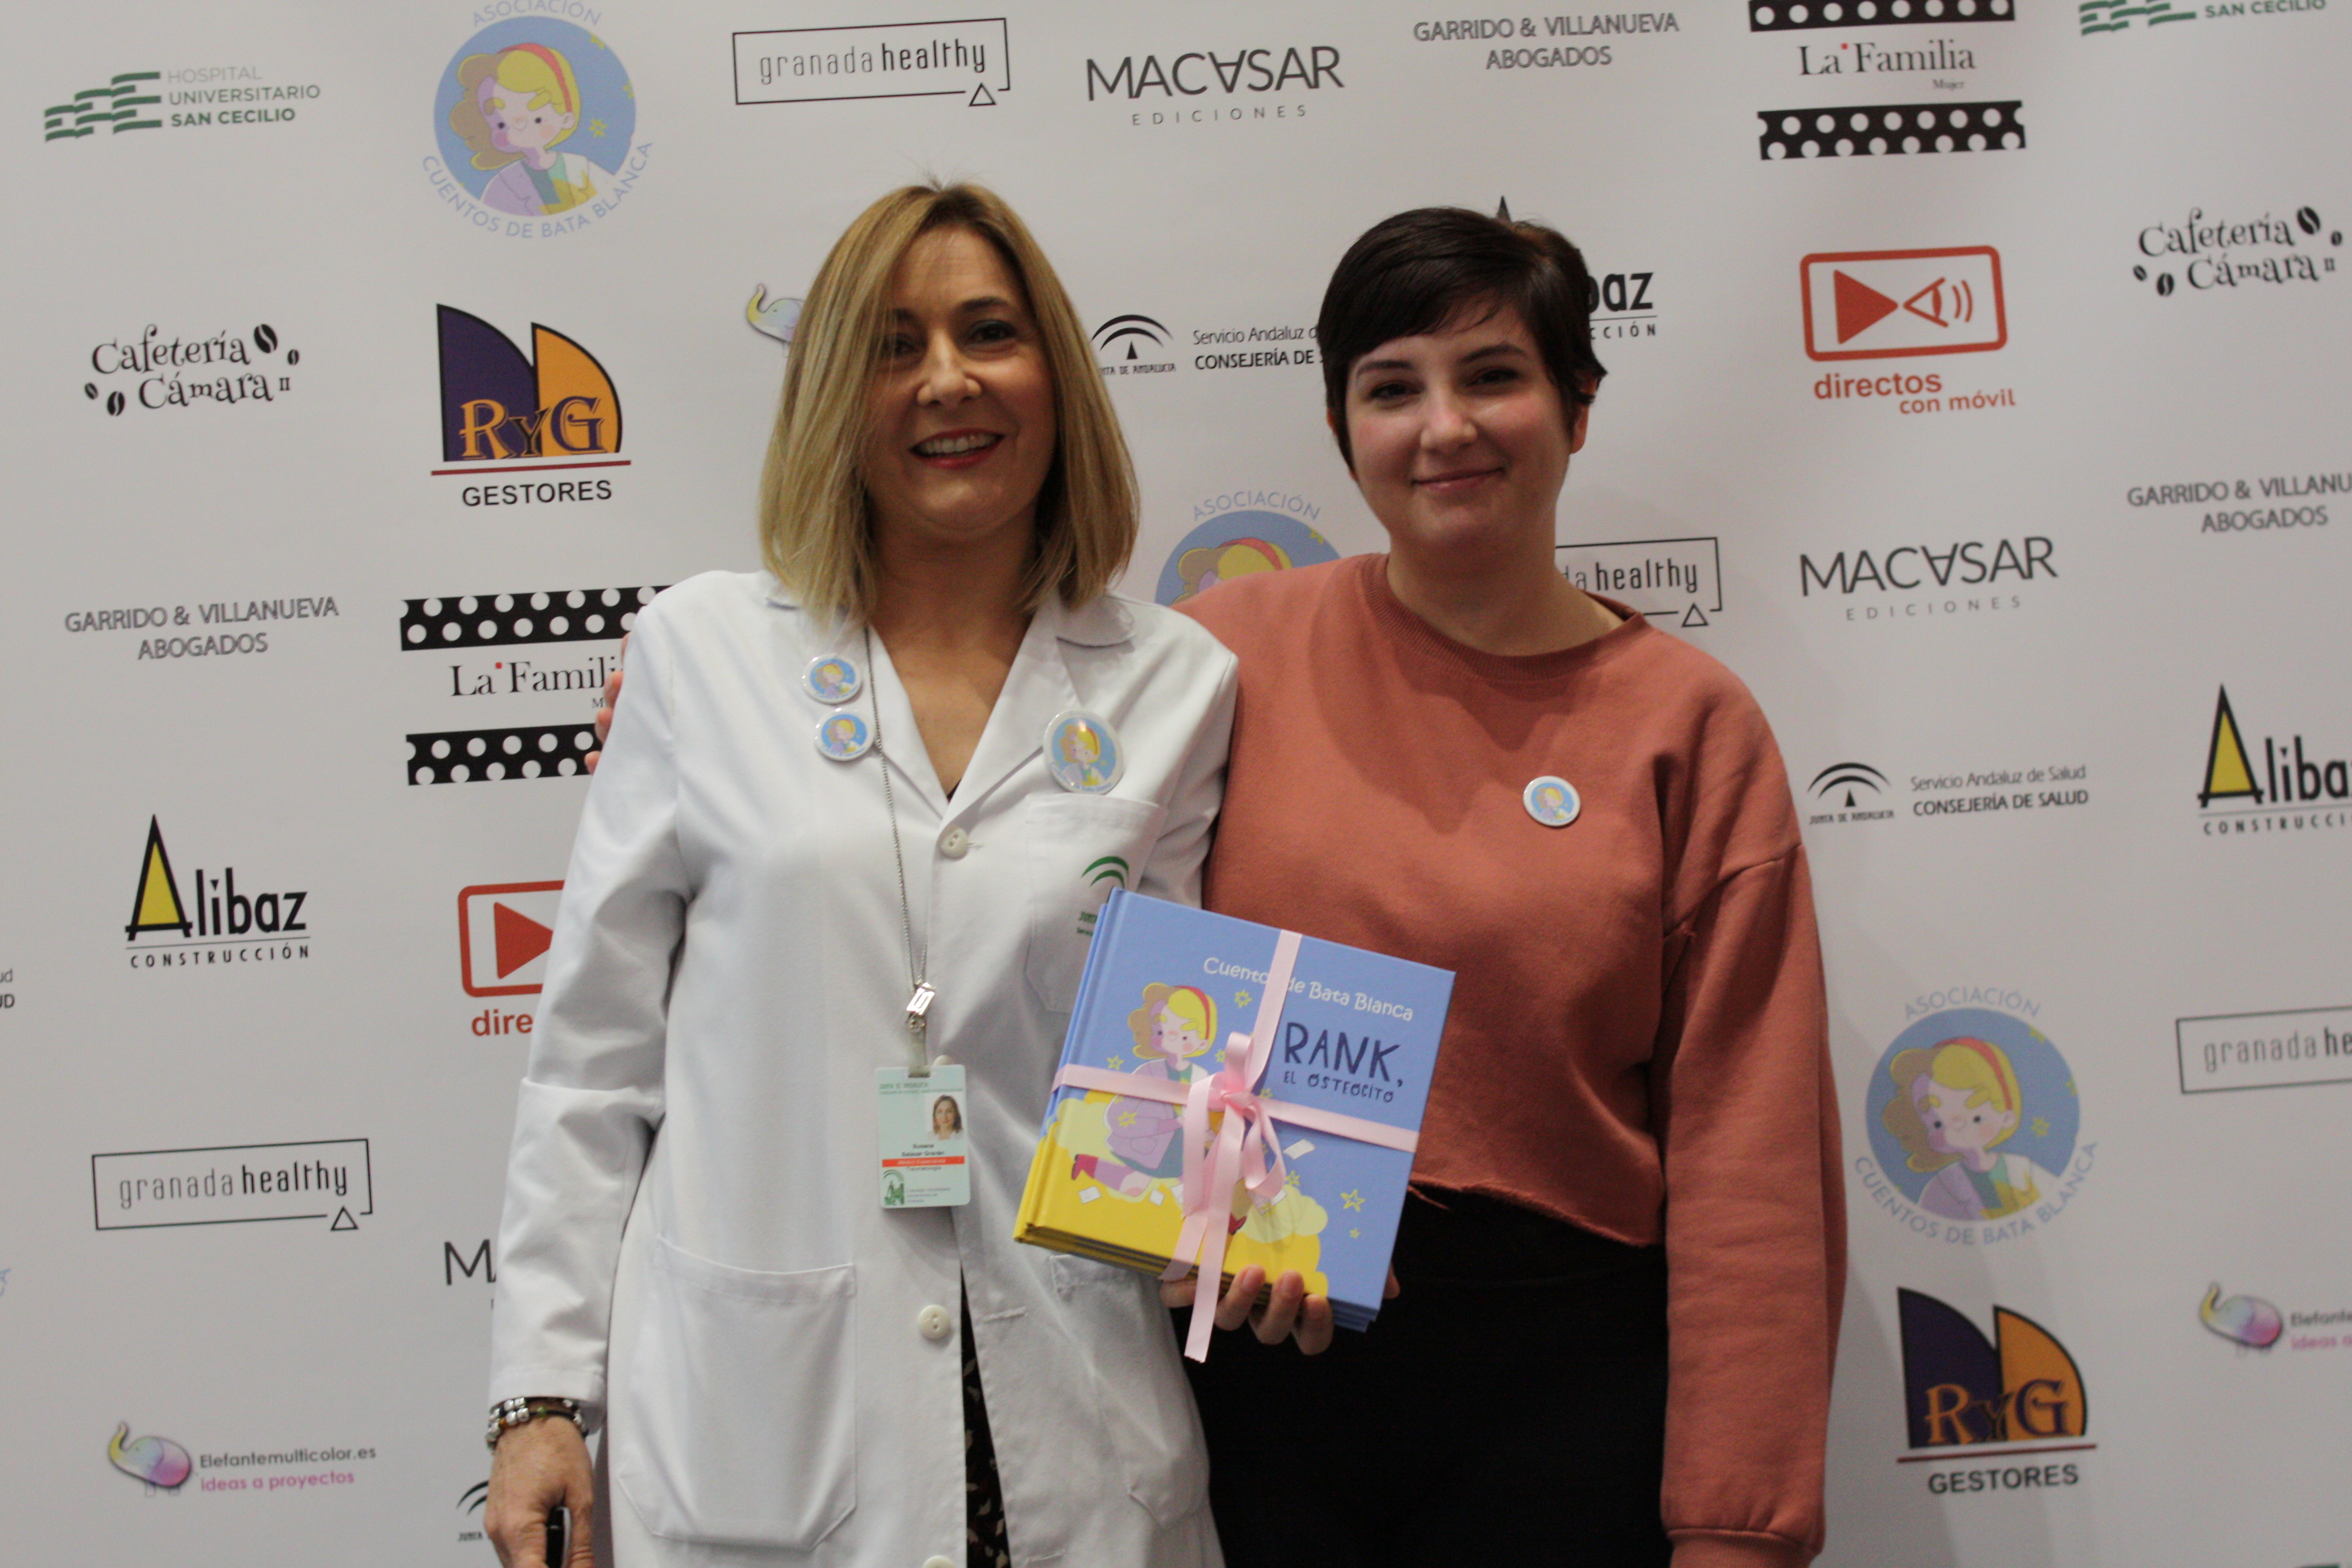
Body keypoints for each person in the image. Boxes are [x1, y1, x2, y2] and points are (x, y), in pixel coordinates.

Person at [484, 183, 1236, 1568]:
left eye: (989, 331)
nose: (947, 379)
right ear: (835, 389)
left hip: (1072, 1410)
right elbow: (591, 1063)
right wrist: (539, 1396)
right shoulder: (702, 654)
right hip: (769, 1424)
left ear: (1057, 376)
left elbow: (1170, 1057)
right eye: (894, 345)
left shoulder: (1179, 681)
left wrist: (1242, 1211)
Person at [1170, 208, 1844, 1568]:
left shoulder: (1688, 726)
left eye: (1492, 375)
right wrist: (1189, 1197)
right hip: (1254, 1378)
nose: (1445, 427)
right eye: (1392, 388)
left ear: (1577, 405)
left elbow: (1751, 1154)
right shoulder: (1218, 658)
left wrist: (1739, 1524)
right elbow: (1093, 953)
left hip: (1566, 1399)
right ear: (1340, 427)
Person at [1882, 1035, 2056, 1222]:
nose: (1957, 1127)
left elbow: (2054, 1203)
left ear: (2006, 1117)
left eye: (1976, 1118)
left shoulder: (2023, 1169)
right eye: (1938, 1124)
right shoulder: (1941, 1186)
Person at [449, 43, 613, 217]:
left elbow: (613, 197)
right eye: (501, 125)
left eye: (537, 120)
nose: (516, 130)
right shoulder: (505, 183)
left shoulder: (580, 167)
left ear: (566, 120)